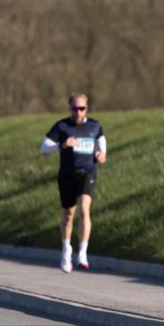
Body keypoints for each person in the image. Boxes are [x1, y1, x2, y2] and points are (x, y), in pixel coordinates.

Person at [40, 94, 106, 273]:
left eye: (82, 108)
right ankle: (66, 251)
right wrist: (62, 144)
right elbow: (44, 146)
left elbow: (102, 146)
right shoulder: (62, 126)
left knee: (85, 209)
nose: (78, 112)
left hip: (87, 172)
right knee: (68, 214)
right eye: (75, 109)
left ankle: (83, 253)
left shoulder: (95, 126)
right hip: (67, 174)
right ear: (70, 108)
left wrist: (101, 155)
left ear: (87, 108)